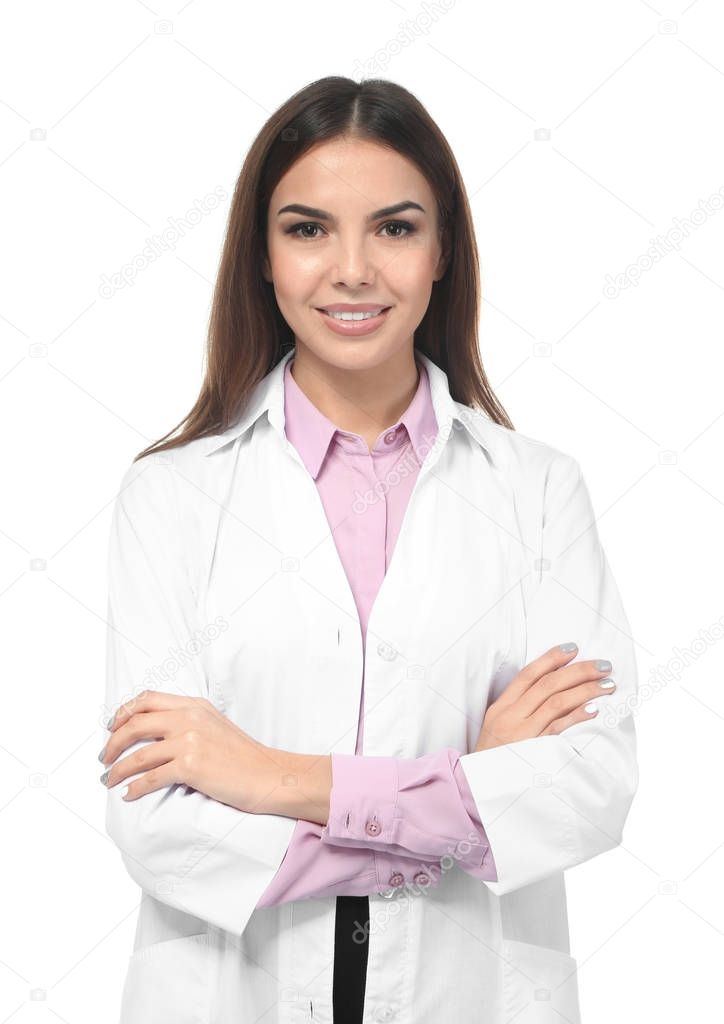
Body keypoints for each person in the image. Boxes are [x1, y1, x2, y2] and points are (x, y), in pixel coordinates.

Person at [99, 76, 638, 1024]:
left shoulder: (537, 492)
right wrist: (468, 787)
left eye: (394, 228)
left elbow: (584, 790)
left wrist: (272, 778)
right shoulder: (172, 499)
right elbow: (159, 827)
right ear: (262, 257)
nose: (352, 269)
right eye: (307, 229)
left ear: (442, 256)